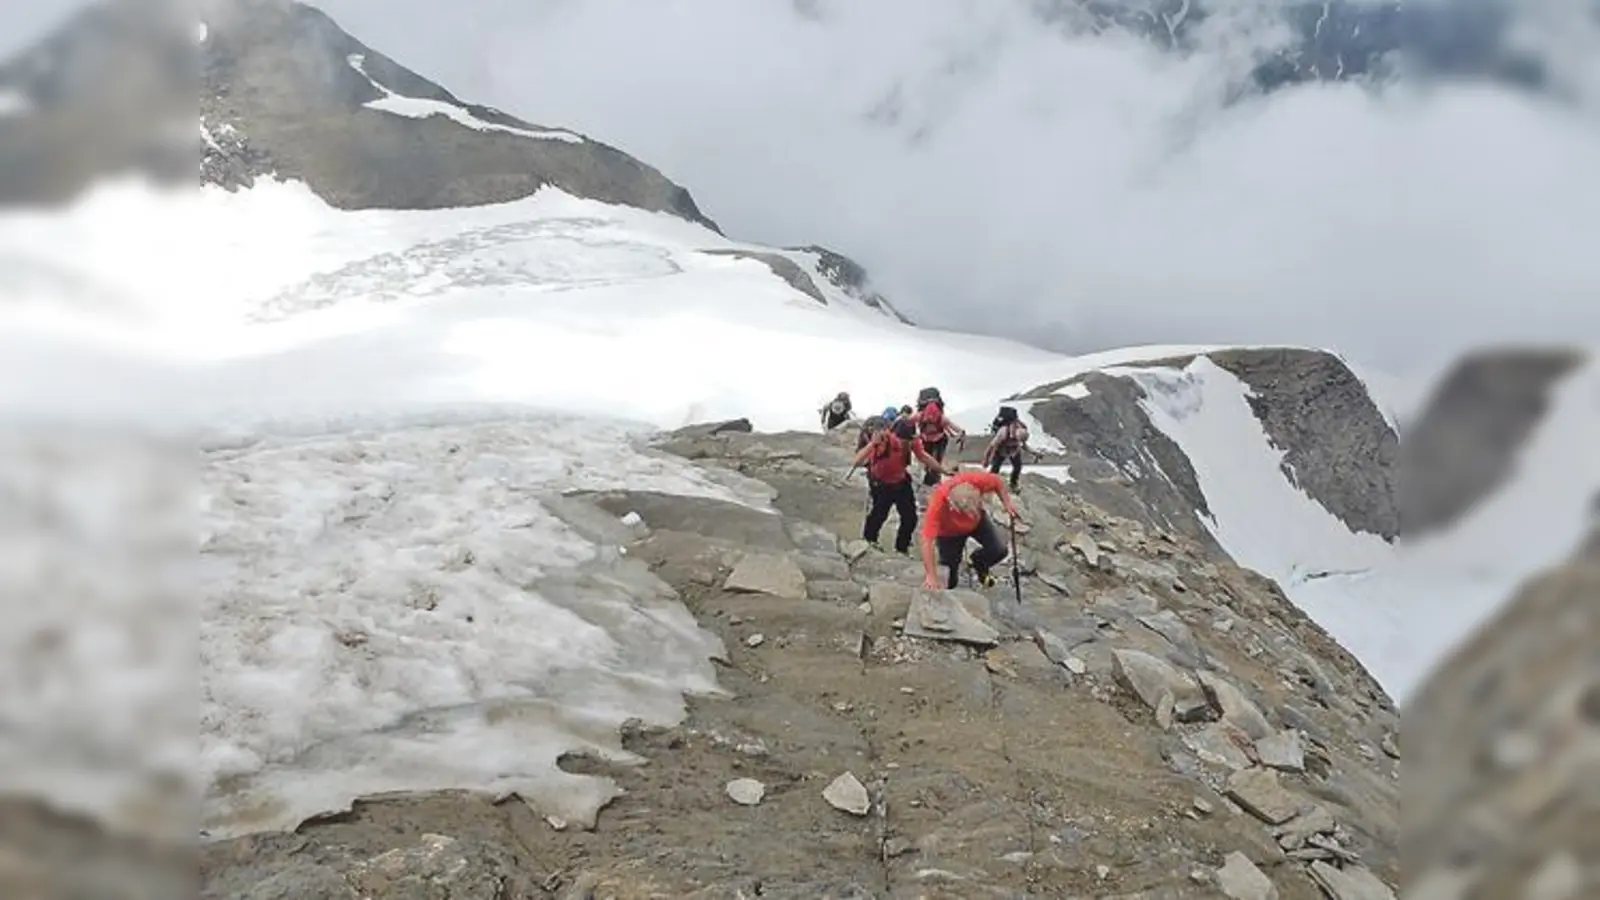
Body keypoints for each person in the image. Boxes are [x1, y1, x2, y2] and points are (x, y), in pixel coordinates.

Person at [851, 417, 947, 554]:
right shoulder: (882, 440)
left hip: (901, 481)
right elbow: (856, 461)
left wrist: (942, 470)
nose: (904, 443)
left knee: (910, 517)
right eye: (903, 439)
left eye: (908, 440)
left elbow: (923, 457)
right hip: (880, 484)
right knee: (878, 514)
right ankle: (869, 542)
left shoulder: (912, 441)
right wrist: (872, 444)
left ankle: (902, 548)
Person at [919, 469, 1019, 590]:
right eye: (970, 512)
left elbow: (997, 482)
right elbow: (927, 541)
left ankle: (978, 562)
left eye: (976, 507)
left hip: (978, 524)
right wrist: (931, 575)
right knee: (950, 575)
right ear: (954, 507)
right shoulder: (937, 504)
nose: (974, 513)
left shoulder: (975, 479)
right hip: (949, 534)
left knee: (999, 550)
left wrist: (1007, 503)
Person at [914, 396, 966, 486]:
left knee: (936, 460)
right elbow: (906, 421)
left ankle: (935, 481)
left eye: (932, 421)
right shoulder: (920, 416)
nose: (930, 422)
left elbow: (956, 428)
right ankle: (929, 479)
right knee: (927, 461)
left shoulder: (942, 419)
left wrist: (960, 434)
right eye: (928, 421)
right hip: (925, 440)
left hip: (940, 441)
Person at [983, 405, 1035, 490]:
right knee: (996, 467)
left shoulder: (1021, 433)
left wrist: (1035, 453)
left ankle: (1013, 484)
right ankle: (989, 483)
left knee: (1017, 466)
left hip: (1014, 451)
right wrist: (986, 459)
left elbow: (1024, 446)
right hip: (1001, 450)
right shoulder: (1003, 432)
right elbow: (991, 446)